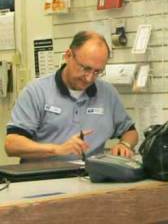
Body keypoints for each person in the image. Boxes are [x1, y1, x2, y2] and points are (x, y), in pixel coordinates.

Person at [5, 31, 138, 162]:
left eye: (97, 71)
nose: (89, 78)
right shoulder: (36, 92)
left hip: (89, 177)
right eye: (85, 68)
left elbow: (130, 132)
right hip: (42, 178)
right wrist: (57, 149)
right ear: (68, 56)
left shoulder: (108, 93)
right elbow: (12, 144)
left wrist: (124, 145)